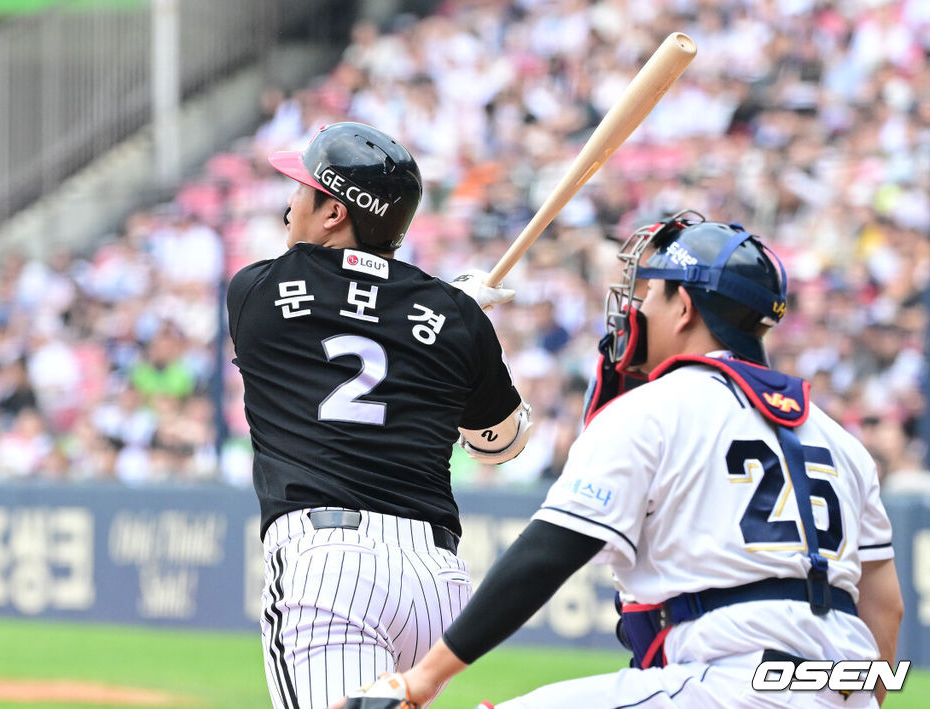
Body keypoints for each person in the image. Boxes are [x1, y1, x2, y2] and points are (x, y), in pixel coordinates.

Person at [334, 211, 904, 709]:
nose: (637, 308)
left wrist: (418, 679)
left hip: (725, 683)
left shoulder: (656, 410)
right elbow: (886, 607)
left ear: (684, 306)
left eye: (652, 293)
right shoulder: (839, 440)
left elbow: (546, 557)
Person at [226, 122, 531, 709]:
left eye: (301, 189)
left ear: (335, 212)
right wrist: (458, 320)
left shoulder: (255, 291)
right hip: (435, 583)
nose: (290, 205)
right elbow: (501, 446)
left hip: (328, 569)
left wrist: (449, 308)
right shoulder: (454, 316)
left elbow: (347, 307)